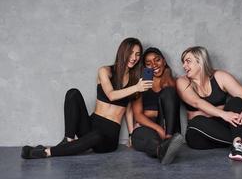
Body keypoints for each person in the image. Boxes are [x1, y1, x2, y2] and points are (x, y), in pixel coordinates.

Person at [21, 37, 153, 159]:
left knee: (97, 135)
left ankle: (46, 152)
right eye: (130, 53)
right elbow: (111, 95)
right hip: (92, 124)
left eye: (137, 54)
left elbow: (128, 108)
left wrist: (131, 134)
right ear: (122, 52)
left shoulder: (135, 79)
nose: (134, 57)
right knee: (73, 93)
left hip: (109, 136)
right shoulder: (105, 71)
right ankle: (69, 139)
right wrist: (137, 87)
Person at [176, 46, 242, 161]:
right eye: (183, 62)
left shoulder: (220, 76)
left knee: (237, 101)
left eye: (188, 61)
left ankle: (237, 145)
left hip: (222, 126)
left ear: (201, 61)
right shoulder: (182, 82)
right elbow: (197, 103)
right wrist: (223, 114)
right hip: (199, 135)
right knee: (197, 121)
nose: (184, 66)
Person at [131, 47, 184, 165]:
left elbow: (172, 96)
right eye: (148, 63)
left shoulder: (174, 81)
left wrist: (167, 73)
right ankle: (161, 150)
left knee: (169, 92)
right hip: (147, 126)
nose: (154, 65)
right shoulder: (141, 84)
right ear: (145, 68)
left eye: (157, 60)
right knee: (144, 137)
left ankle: (169, 140)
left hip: (168, 126)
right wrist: (158, 128)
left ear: (164, 61)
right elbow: (138, 115)